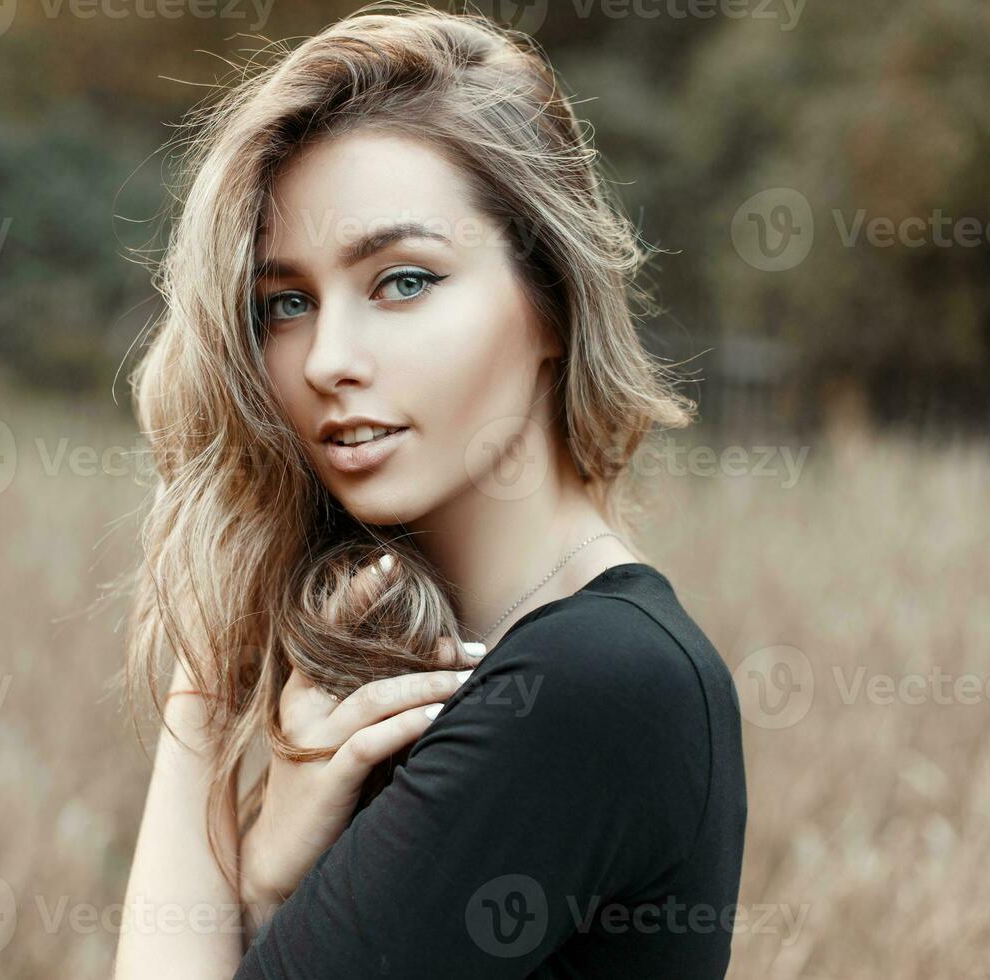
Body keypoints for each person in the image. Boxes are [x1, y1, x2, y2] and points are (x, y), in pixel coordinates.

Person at [114, 4, 747, 977]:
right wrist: (268, 882)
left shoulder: (593, 683)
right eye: (286, 303)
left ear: (552, 301)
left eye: (403, 281)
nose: (327, 358)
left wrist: (201, 710)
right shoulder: (404, 677)